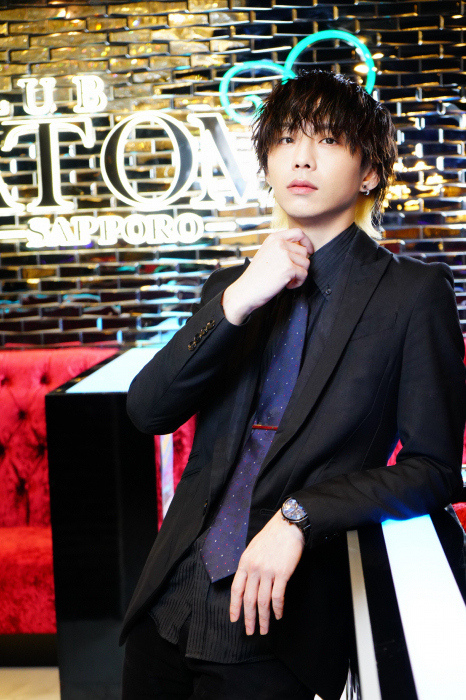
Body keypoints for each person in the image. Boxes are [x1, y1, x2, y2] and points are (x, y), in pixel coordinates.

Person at [120, 71, 466, 700]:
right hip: (166, 605)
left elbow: (435, 469)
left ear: (369, 172)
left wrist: (300, 515)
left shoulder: (413, 296)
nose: (301, 157)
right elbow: (148, 411)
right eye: (285, 139)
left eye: (327, 140)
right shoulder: (231, 287)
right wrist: (239, 298)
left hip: (280, 627)